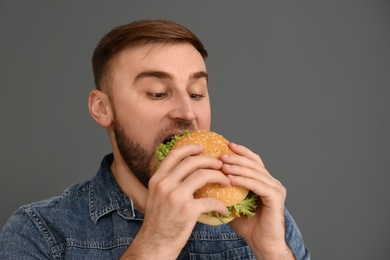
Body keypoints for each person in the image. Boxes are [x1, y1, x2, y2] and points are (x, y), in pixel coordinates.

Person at [0, 19, 310, 259]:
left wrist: (272, 251)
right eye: (158, 93)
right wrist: (155, 244)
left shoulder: (264, 217)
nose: (187, 112)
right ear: (102, 108)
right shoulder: (39, 232)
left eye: (197, 93)